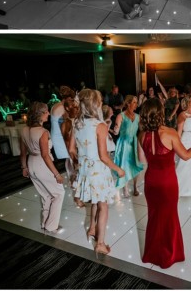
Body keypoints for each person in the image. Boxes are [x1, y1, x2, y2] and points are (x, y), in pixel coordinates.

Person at [138, 98, 191, 268]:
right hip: (167, 182)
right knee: (169, 218)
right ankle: (168, 256)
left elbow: (142, 160)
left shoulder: (141, 135)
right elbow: (185, 156)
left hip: (151, 181)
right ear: (160, 113)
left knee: (154, 218)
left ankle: (152, 254)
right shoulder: (169, 133)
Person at [69, 89, 124, 256]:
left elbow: (71, 149)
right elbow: (104, 156)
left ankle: (92, 228)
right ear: (95, 105)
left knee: (95, 200)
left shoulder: (76, 123)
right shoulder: (100, 126)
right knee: (103, 205)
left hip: (85, 170)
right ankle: (100, 243)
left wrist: (82, 162)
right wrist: (118, 169)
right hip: (98, 171)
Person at [20, 102, 65, 234]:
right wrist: (57, 174)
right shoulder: (43, 132)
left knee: (45, 195)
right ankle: (51, 226)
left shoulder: (23, 130)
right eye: (46, 112)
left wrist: (24, 167)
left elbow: (23, 153)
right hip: (42, 164)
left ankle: (45, 223)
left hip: (31, 163)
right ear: (40, 115)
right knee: (59, 193)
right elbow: (45, 155)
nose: (49, 114)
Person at [112, 95, 144, 197]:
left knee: (136, 165)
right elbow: (116, 131)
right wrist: (114, 129)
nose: (136, 104)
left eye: (136, 102)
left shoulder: (138, 117)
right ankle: (125, 189)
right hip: (124, 143)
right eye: (134, 102)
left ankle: (135, 187)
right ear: (128, 103)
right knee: (124, 166)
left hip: (134, 142)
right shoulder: (120, 116)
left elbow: (142, 130)